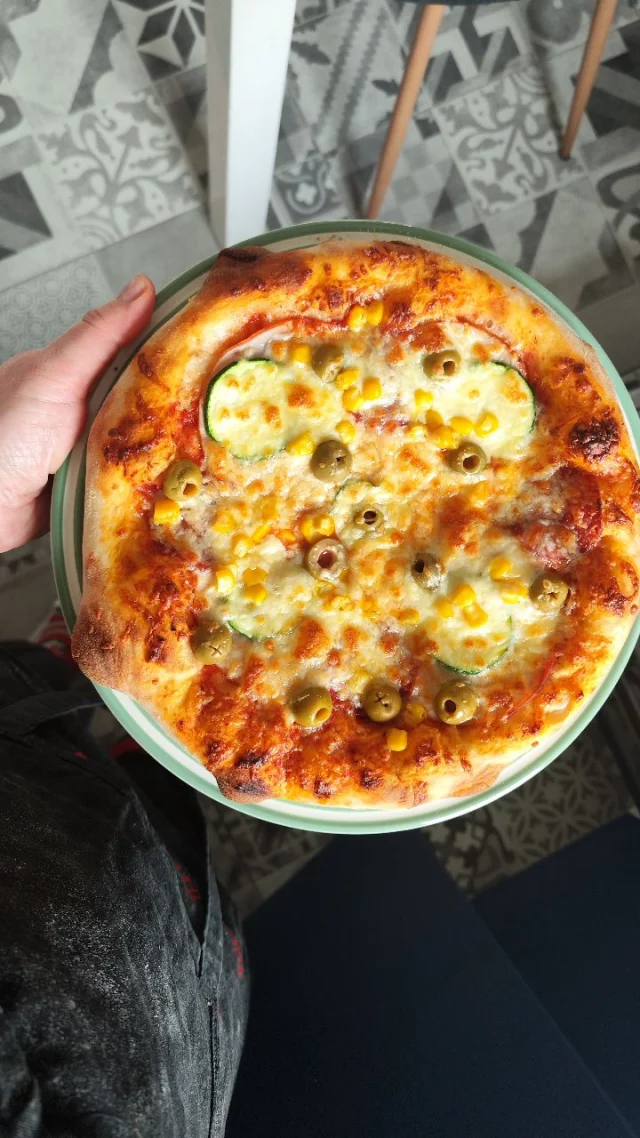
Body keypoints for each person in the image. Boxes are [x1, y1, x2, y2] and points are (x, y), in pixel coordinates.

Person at [2, 282, 640, 1138]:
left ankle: (71, 703)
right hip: (142, 1046)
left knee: (91, 734)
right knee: (143, 826)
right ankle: (91, 717)